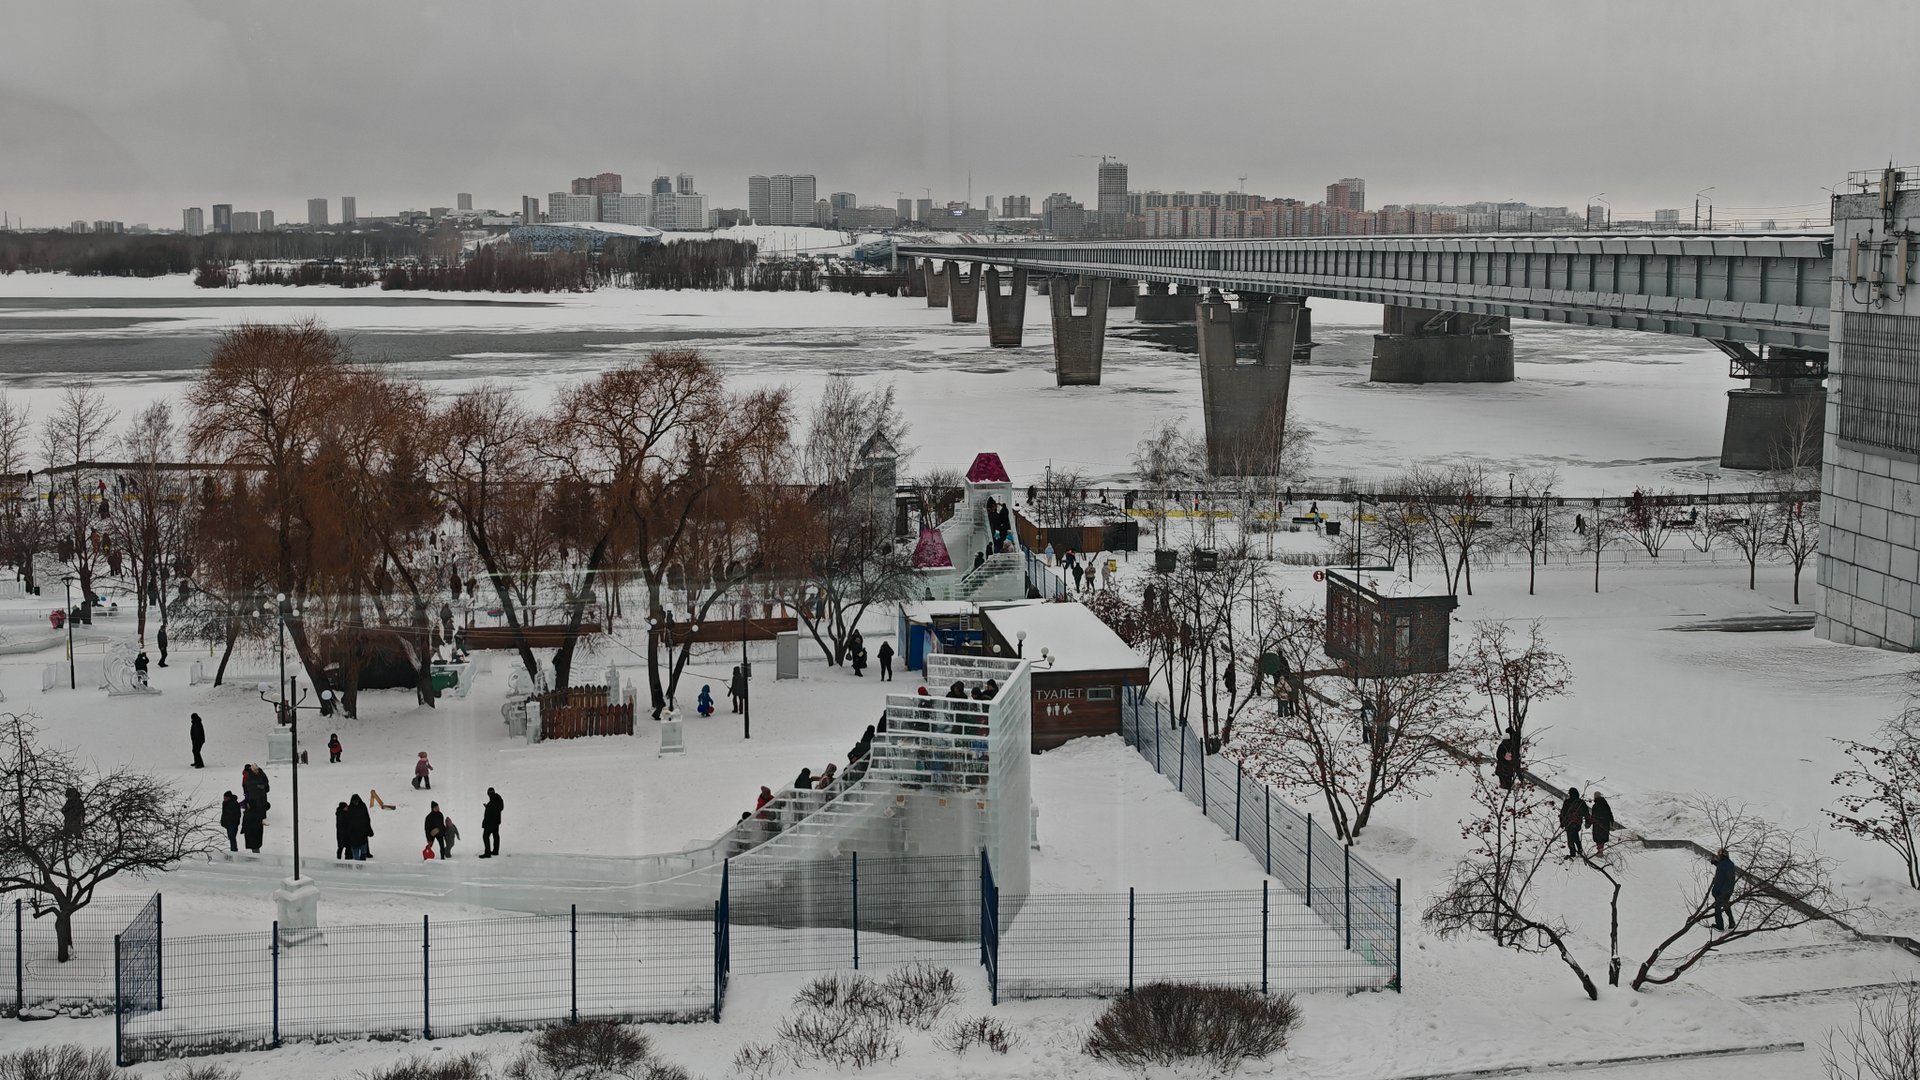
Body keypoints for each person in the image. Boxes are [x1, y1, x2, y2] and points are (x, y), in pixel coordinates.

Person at [1710, 847, 1738, 931]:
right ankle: (1731, 922)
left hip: (1721, 890)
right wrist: (1715, 863)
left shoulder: (1722, 865)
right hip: (1729, 889)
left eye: (1718, 854)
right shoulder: (1730, 863)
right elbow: (1725, 869)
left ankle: (1720, 925)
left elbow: (1720, 878)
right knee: (1726, 904)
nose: (1717, 856)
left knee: (1717, 908)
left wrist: (1715, 891)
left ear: (1721, 855)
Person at [1560, 787, 1590, 859]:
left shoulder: (1567, 802)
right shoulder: (1581, 802)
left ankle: (1573, 853)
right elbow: (1586, 813)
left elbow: (1563, 812)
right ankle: (1579, 850)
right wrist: (1587, 822)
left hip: (1568, 823)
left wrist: (1562, 822)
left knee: (1570, 839)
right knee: (1575, 836)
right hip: (1577, 823)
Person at [479, 787, 504, 857]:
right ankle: (496, 851)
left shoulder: (492, 802)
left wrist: (484, 823)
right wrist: (488, 807)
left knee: (485, 836)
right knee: (496, 835)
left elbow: (489, 813)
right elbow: (497, 809)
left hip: (490, 823)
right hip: (496, 822)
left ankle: (487, 853)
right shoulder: (499, 800)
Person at [350, 794, 374, 859]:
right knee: (355, 848)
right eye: (354, 801)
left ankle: (366, 855)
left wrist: (368, 828)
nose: (356, 803)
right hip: (354, 832)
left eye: (357, 801)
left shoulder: (362, 806)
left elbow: (367, 817)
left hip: (363, 830)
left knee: (364, 847)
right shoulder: (350, 808)